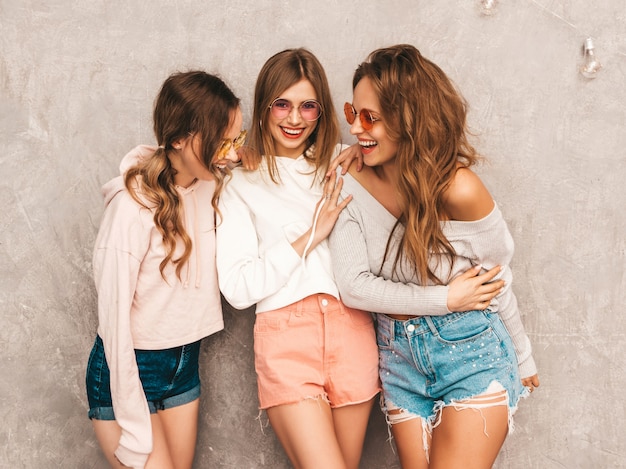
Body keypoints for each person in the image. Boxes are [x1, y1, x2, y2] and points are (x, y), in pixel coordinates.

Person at [328, 44, 540, 469]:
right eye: (353, 113)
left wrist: (522, 353)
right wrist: (445, 298)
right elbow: (354, 287)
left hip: (469, 352)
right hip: (399, 360)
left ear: (409, 118)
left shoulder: (458, 190)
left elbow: (496, 275)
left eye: (371, 118)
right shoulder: (347, 177)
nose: (356, 129)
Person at [85, 70, 246, 469]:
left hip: (183, 366)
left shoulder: (211, 183)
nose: (234, 153)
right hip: (127, 368)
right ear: (178, 139)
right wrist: (135, 424)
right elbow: (114, 324)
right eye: (222, 141)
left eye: (237, 139)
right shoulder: (131, 208)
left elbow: (274, 168)